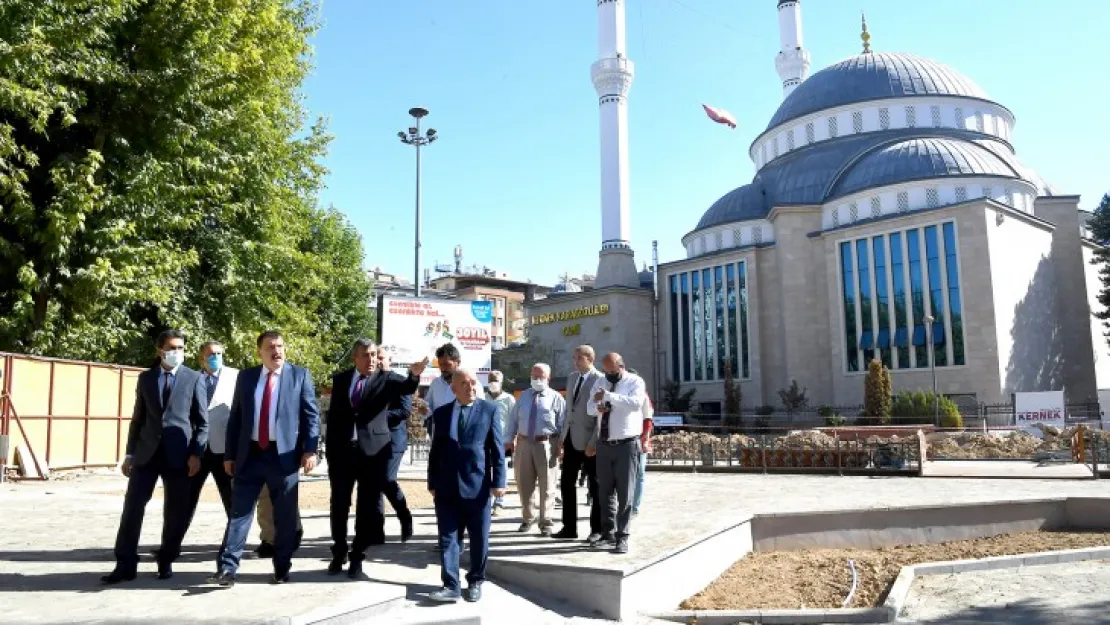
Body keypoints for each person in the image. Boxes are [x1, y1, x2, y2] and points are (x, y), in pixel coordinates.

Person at [209, 330, 320, 586]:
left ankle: (281, 567)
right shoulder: (247, 377)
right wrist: (229, 455)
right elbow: (236, 417)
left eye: (280, 346)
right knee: (239, 513)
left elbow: (311, 416)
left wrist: (310, 450)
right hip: (250, 455)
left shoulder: (299, 376)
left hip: (284, 457)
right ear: (260, 352)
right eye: (270, 347)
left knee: (284, 517)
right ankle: (228, 569)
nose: (276, 351)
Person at [102, 329, 208, 583]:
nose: (177, 353)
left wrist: (196, 454)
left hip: (179, 455)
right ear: (160, 350)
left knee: (175, 510)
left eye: (181, 348)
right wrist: (129, 453)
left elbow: (202, 423)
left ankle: (166, 559)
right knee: (132, 508)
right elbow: (138, 420)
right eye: (172, 348)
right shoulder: (146, 379)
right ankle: (125, 564)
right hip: (147, 454)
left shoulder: (194, 378)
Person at [325, 339, 425, 577]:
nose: (371, 359)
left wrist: (413, 376)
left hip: (372, 453)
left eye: (373, 354)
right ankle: (339, 551)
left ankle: (358, 555)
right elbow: (336, 418)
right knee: (339, 505)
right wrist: (330, 451)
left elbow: (406, 389)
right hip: (342, 454)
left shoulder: (386, 379)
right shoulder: (341, 380)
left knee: (367, 507)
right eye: (365, 355)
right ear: (354, 358)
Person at [426, 369, 506, 603]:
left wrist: (498, 482)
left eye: (473, 383)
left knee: (479, 537)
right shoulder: (441, 414)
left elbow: (497, 450)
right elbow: (436, 451)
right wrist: (432, 480)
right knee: (448, 538)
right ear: (454, 389)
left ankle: (476, 581)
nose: (470, 387)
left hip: (477, 486)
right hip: (447, 486)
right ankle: (451, 585)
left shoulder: (489, 410)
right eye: (464, 383)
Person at [586, 353, 651, 554]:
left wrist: (609, 396)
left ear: (622, 366)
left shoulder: (634, 381)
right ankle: (608, 533)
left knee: (625, 493)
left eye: (612, 371)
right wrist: (598, 405)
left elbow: (635, 404)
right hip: (604, 444)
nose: (609, 375)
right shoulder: (600, 380)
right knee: (604, 492)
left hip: (627, 444)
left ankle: (623, 537)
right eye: (606, 371)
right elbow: (589, 409)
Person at [182, 341, 238, 536]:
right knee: (185, 500)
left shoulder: (236, 376)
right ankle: (171, 545)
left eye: (219, 353)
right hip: (197, 451)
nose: (216, 357)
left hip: (225, 450)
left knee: (232, 501)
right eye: (211, 354)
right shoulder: (191, 378)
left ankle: (231, 546)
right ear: (202, 358)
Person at [504, 363, 565, 537]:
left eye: (541, 376)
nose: (537, 380)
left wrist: (561, 446)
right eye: (534, 376)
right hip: (523, 444)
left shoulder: (556, 398)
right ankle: (527, 518)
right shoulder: (523, 397)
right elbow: (513, 420)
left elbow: (562, 424)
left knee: (548, 486)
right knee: (524, 484)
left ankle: (545, 522)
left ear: (549, 378)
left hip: (546, 444)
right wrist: (509, 439)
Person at [554, 345, 604, 540]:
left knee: (595, 485)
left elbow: (600, 414)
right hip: (571, 438)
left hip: (590, 440)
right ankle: (569, 528)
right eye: (574, 357)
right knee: (567, 483)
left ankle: (597, 530)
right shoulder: (572, 377)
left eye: (579, 357)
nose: (575, 361)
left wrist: (594, 441)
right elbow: (569, 411)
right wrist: (561, 438)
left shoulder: (599, 379)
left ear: (590, 358)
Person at [375, 345, 417, 546]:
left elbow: (404, 411)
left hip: (393, 440)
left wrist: (377, 417)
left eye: (382, 357)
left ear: (390, 360)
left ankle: (404, 516)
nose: (377, 360)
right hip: (371, 441)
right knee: (373, 484)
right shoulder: (368, 383)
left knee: (385, 479)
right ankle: (376, 531)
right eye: (375, 357)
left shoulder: (400, 382)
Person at [421, 343, 484, 438]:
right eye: (440, 364)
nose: (443, 368)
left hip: (464, 436)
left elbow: (481, 409)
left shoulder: (472, 384)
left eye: (447, 364)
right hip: (440, 435)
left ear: (458, 363)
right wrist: (424, 410)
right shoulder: (435, 384)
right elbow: (429, 406)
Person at [485, 370, 515, 515]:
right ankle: (486, 500)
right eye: (490, 380)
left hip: (502, 441)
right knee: (485, 469)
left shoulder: (509, 399)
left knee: (501, 469)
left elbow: (513, 420)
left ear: (501, 382)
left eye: (495, 380)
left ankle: (499, 502)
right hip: (485, 441)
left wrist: (511, 439)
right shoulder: (483, 398)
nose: (492, 383)